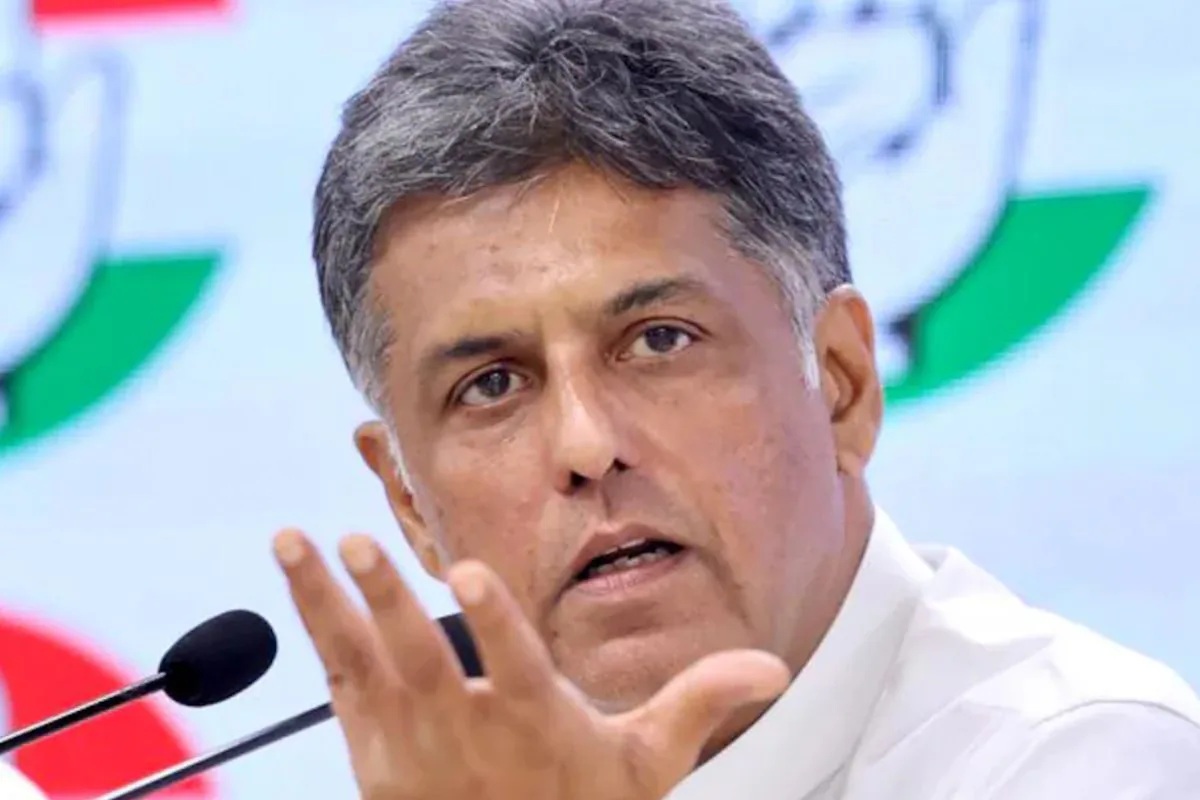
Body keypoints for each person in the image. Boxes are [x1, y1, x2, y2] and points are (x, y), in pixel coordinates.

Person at [271, 1, 1200, 797]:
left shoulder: (1080, 756)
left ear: (841, 382)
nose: (586, 444)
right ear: (409, 504)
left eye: (659, 340)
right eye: (492, 385)